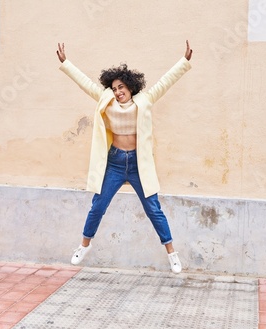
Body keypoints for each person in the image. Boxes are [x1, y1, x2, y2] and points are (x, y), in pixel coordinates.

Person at [57, 41, 193, 274]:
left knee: (153, 208)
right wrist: (66, 63)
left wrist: (184, 61)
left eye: (122, 87)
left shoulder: (145, 100)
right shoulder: (106, 101)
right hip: (116, 162)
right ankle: (84, 246)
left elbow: (166, 82)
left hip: (138, 164)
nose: (118, 92)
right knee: (98, 205)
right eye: (114, 88)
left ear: (131, 87)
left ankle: (172, 253)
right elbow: (85, 84)